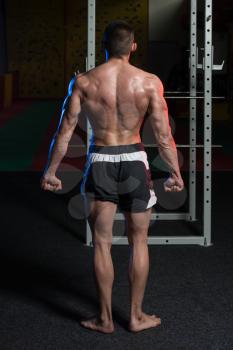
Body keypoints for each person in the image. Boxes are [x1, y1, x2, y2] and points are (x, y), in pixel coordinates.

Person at [40, 21, 184, 334]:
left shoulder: (84, 82)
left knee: (102, 244)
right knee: (139, 241)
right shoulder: (148, 82)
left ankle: (105, 319)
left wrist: (51, 170)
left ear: (103, 45)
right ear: (133, 46)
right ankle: (135, 316)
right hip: (134, 160)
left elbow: (65, 130)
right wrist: (175, 172)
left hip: (100, 161)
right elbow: (163, 135)